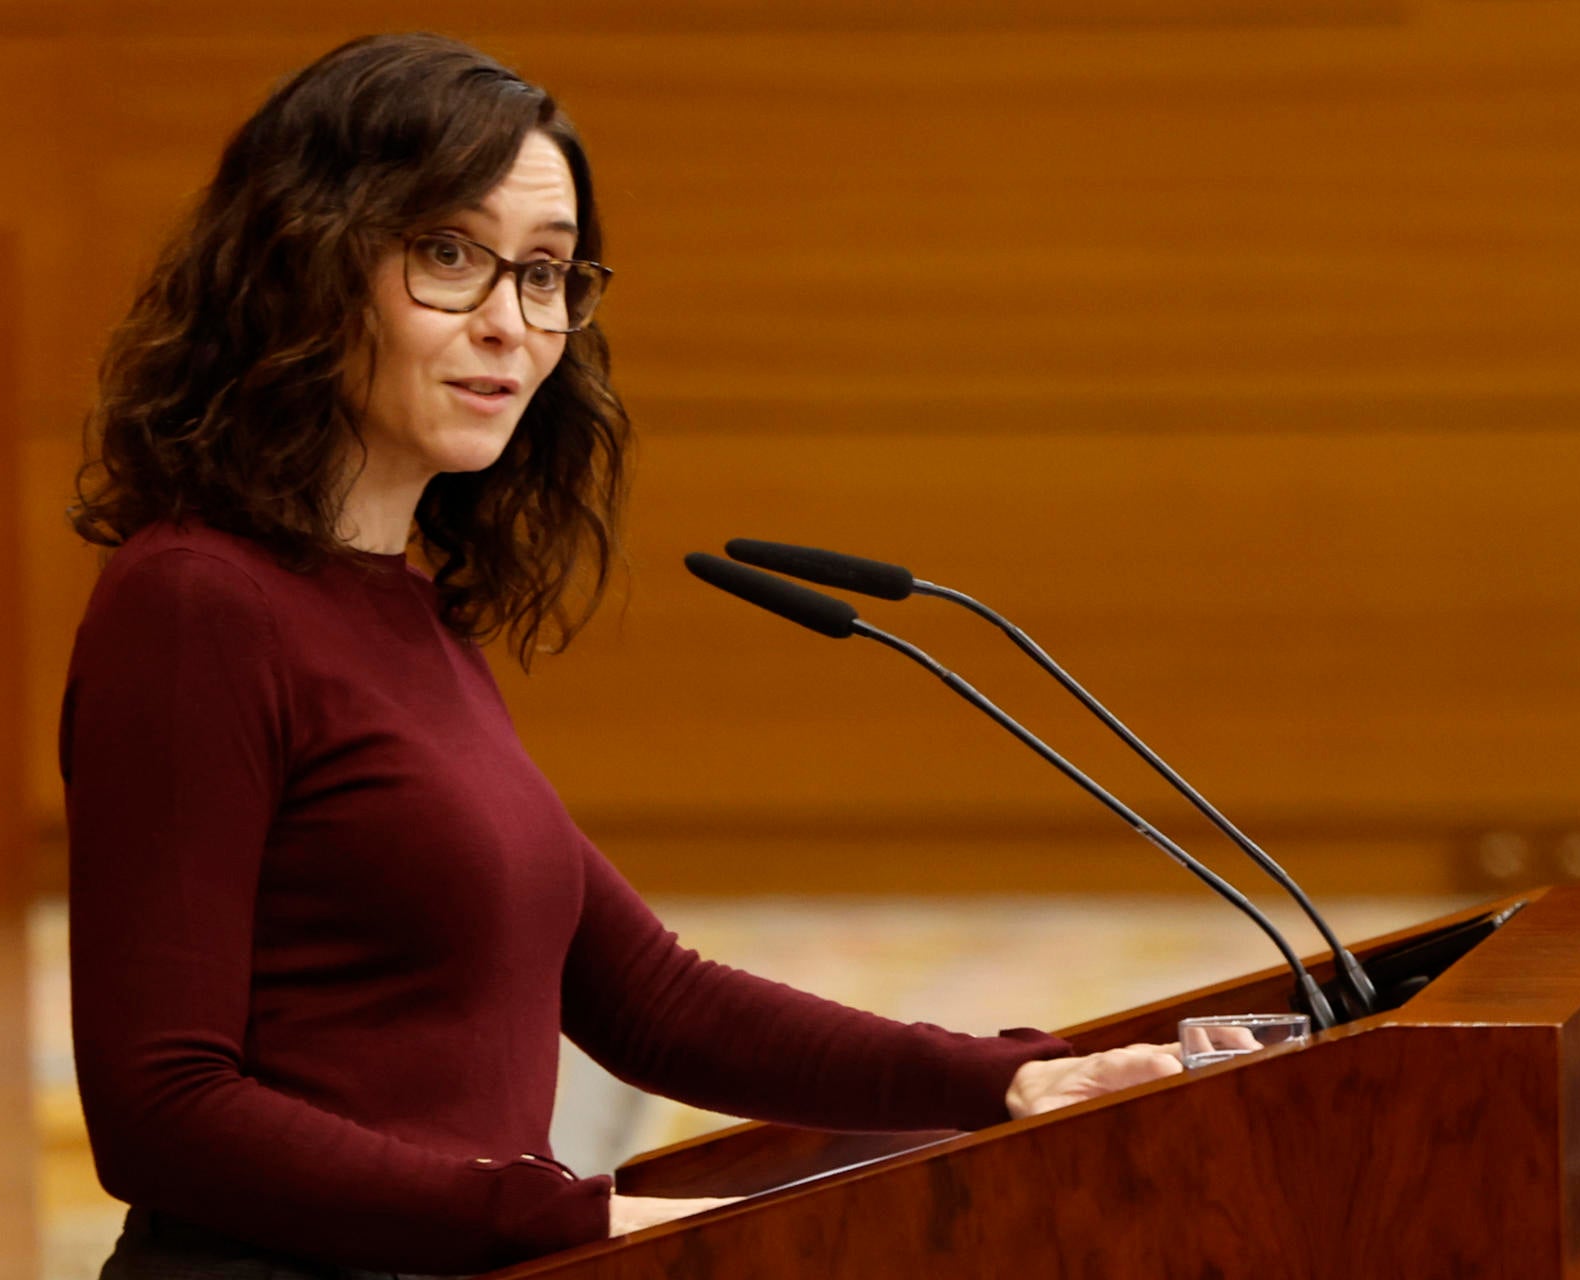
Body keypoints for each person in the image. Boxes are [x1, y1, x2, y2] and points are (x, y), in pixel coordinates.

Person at [61, 33, 1183, 1280]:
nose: (511, 324)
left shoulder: (405, 607)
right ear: (306, 263)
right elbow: (160, 1109)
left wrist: (1011, 1077)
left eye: (544, 273)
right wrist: (563, 1219)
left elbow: (650, 996)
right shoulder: (194, 605)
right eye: (449, 255)